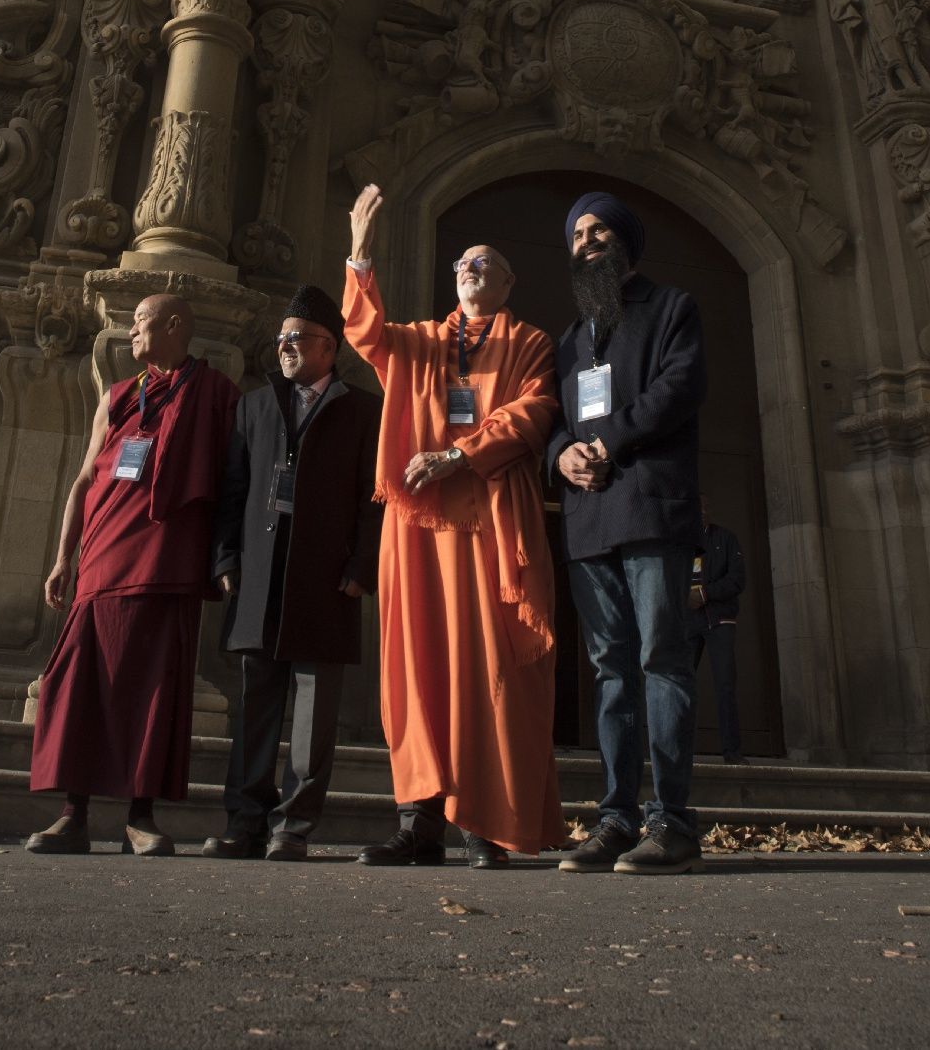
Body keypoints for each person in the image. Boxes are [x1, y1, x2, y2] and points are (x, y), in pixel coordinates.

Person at [343, 183, 567, 869]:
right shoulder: (418, 342)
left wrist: (455, 454)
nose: (472, 268)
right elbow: (364, 335)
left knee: (489, 668)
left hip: (491, 525)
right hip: (417, 528)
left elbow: (533, 412)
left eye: (486, 263)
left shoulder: (528, 341)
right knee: (416, 670)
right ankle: (419, 824)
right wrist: (359, 251)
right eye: (463, 262)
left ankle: (486, 824)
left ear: (507, 282)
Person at [27, 292, 239, 856]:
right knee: (80, 682)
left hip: (166, 557)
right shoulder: (119, 395)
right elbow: (81, 479)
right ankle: (73, 813)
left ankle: (139, 817)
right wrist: (61, 557)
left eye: (141, 322)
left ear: (175, 325)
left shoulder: (216, 395)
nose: (131, 334)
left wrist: (225, 558)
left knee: (153, 685)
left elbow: (233, 486)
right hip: (101, 558)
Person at [548, 192, 707, 875]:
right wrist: (560, 451)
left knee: (659, 663)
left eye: (599, 230)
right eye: (577, 233)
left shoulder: (672, 308)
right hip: (588, 519)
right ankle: (615, 818)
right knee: (609, 670)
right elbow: (553, 416)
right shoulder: (569, 337)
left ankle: (671, 823)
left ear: (625, 244)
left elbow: (679, 387)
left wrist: (604, 441)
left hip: (649, 508)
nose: (587, 241)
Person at [203, 284, 382, 861]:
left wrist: (362, 568)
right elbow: (233, 491)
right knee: (256, 704)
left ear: (329, 347)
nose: (284, 347)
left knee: (312, 713)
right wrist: (227, 561)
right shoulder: (254, 405)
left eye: (297, 338)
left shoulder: (361, 409)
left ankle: (293, 827)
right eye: (281, 338)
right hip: (260, 577)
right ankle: (245, 822)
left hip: (327, 580)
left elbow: (370, 498)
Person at [688, 498, 747, 765]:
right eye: (695, 508)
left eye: (703, 508)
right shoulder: (679, 543)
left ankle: (732, 752)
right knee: (679, 688)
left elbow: (737, 579)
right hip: (687, 621)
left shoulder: (726, 539)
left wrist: (706, 593)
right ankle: (679, 752)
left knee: (725, 685)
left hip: (720, 619)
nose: (700, 512)